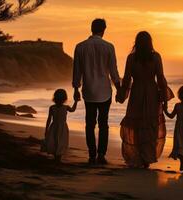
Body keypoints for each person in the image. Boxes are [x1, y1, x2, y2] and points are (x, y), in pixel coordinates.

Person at [116, 31, 174, 168]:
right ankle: (147, 157)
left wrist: (121, 94)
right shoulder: (155, 57)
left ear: (136, 42)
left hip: (136, 93)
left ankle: (137, 156)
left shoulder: (131, 58)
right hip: (152, 93)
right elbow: (160, 78)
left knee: (136, 125)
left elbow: (127, 79)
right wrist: (164, 98)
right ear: (150, 42)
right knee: (150, 125)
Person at [72, 18, 121, 165]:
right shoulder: (109, 47)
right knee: (103, 123)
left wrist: (76, 89)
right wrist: (119, 90)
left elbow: (77, 71)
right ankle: (101, 155)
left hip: (89, 91)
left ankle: (92, 155)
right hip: (105, 91)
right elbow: (113, 71)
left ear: (91, 28)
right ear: (103, 30)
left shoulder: (80, 47)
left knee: (89, 123)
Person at [44, 89, 77, 163]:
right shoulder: (64, 107)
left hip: (54, 126)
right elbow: (73, 110)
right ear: (65, 98)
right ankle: (58, 157)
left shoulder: (52, 107)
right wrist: (76, 102)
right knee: (60, 141)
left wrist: (46, 129)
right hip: (61, 127)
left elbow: (49, 119)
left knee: (55, 141)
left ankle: (57, 157)